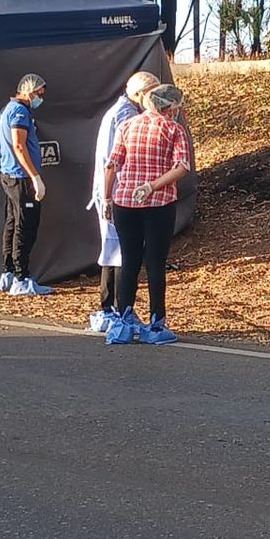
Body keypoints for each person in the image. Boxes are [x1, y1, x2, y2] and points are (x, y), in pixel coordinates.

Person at [102, 83, 192, 345]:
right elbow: (182, 166)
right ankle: (156, 322)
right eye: (177, 107)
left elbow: (112, 164)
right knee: (155, 262)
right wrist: (153, 185)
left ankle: (124, 319)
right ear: (170, 107)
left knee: (129, 260)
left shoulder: (127, 125)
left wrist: (107, 197)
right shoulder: (174, 129)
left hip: (124, 201)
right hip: (158, 202)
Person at [86, 70, 160, 334]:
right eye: (152, 93)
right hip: (120, 191)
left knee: (113, 249)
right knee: (123, 253)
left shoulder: (118, 111)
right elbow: (119, 159)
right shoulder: (127, 116)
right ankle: (119, 310)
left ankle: (109, 309)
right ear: (140, 94)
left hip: (113, 190)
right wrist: (111, 195)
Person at [0, 73, 53, 296]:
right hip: (20, 177)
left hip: (11, 175)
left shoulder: (8, 109)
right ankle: (21, 277)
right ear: (29, 91)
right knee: (25, 226)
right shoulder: (18, 111)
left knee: (12, 223)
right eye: (39, 94)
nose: (41, 98)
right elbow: (19, 146)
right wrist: (34, 176)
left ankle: (8, 273)